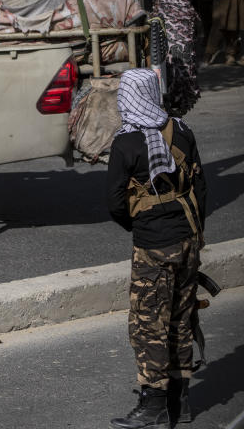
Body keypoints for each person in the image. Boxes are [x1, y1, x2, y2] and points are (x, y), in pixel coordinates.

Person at [106, 69, 207, 429]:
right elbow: (201, 186)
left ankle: (155, 406)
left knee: (148, 325)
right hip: (188, 239)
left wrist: (142, 226)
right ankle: (181, 402)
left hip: (153, 246)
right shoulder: (181, 130)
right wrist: (193, 234)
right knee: (181, 318)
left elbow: (115, 202)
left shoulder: (126, 142)